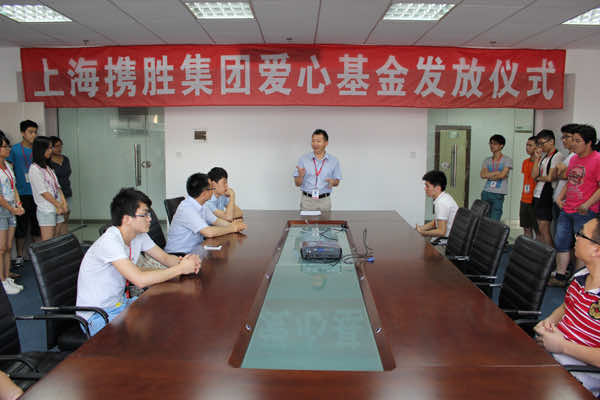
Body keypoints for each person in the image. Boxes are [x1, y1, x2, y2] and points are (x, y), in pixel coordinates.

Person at [76, 188, 202, 336]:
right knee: (156, 328)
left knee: (166, 312)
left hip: (120, 304)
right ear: (127, 219)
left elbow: (165, 258)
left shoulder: (138, 235)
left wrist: (187, 261)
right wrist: (181, 269)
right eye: (145, 215)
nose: (150, 219)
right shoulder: (110, 241)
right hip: (97, 315)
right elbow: (140, 280)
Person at [534, 217, 600, 397]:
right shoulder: (581, 276)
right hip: (552, 357)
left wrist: (562, 346)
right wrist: (548, 322)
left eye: (581, 235)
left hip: (576, 377)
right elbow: (566, 307)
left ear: (597, 249)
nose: (575, 237)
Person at [551, 124, 600, 287]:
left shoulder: (597, 159)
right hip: (567, 208)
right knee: (561, 242)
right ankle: (560, 276)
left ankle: (577, 281)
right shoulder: (574, 158)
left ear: (589, 143)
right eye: (573, 140)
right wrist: (560, 197)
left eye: (577, 141)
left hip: (585, 211)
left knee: (582, 246)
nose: (573, 144)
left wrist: (587, 204)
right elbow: (570, 181)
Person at [164, 173, 247, 254]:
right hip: (179, 255)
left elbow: (216, 221)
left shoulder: (202, 205)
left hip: (196, 250)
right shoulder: (187, 208)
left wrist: (233, 225)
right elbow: (209, 232)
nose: (213, 191)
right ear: (204, 193)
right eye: (211, 189)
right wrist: (233, 228)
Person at [7, 120, 40, 268]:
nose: (33, 135)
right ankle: (20, 255)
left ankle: (38, 254)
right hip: (21, 193)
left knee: (36, 225)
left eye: (35, 132)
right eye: (30, 132)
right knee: (21, 226)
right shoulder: (14, 150)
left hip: (37, 193)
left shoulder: (38, 149)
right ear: (22, 133)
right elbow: (9, 170)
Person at [28, 136, 68, 241]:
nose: (51, 151)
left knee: (57, 238)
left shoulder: (48, 167)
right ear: (41, 149)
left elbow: (58, 187)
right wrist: (58, 205)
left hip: (57, 207)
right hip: (47, 210)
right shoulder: (34, 169)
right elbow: (43, 192)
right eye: (49, 148)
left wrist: (64, 203)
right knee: (48, 242)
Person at [294, 129, 342, 212]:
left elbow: (337, 182)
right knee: (306, 221)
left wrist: (333, 182)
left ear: (326, 143)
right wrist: (301, 176)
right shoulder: (303, 159)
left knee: (326, 221)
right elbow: (297, 183)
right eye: (313, 141)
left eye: (318, 141)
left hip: (325, 201)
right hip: (307, 201)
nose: (315, 144)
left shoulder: (334, 160)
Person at [0, 132, 25, 295]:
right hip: (2, 209)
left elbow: (13, 187)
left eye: (8, 146)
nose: (8, 149)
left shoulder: (8, 165)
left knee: (8, 247)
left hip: (11, 208)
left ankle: (6, 276)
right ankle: (2, 280)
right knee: (1, 248)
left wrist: (18, 204)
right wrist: (11, 209)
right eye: (4, 146)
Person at [531, 129, 564, 247]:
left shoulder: (557, 156)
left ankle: (550, 255)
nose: (540, 146)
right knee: (539, 228)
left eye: (542, 143)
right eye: (539, 144)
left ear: (551, 141)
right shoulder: (544, 157)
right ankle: (542, 253)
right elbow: (533, 175)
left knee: (544, 228)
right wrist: (537, 158)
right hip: (537, 193)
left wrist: (539, 178)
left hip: (547, 195)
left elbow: (550, 177)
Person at [416, 170, 458, 249]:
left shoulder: (441, 203)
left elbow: (441, 232)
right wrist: (420, 229)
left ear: (438, 188)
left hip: (445, 242)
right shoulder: (444, 197)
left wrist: (423, 233)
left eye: (427, 186)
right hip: (444, 238)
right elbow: (436, 222)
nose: (425, 188)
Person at [480, 134, 512, 221]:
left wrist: (489, 175)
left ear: (501, 145)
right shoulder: (487, 160)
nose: (492, 146)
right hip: (486, 192)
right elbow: (482, 175)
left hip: (498, 193)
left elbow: (502, 175)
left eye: (495, 144)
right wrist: (497, 173)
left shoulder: (507, 160)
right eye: (490, 143)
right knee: (484, 218)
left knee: (495, 218)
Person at [48, 136, 71, 233]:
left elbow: (68, 173)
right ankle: (57, 238)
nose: (59, 148)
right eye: (56, 146)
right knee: (57, 220)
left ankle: (64, 237)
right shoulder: (48, 162)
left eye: (61, 146)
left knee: (66, 217)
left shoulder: (65, 159)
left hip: (66, 190)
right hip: (54, 194)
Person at [520, 136, 538, 239]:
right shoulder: (525, 162)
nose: (527, 147)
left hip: (534, 199)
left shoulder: (540, 162)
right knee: (526, 228)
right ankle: (526, 247)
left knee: (538, 229)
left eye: (530, 145)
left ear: (537, 147)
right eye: (527, 145)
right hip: (524, 198)